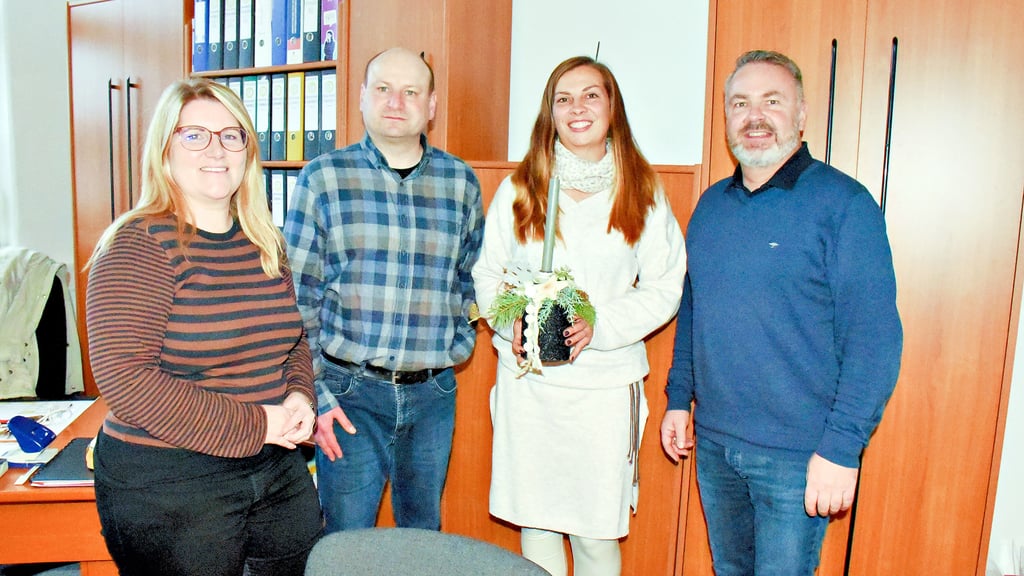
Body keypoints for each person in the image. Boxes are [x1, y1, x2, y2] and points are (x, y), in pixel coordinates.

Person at [660, 50, 903, 575]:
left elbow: (874, 341)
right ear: (725, 117)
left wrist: (842, 450)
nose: (755, 117)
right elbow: (694, 311)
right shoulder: (710, 208)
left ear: (801, 114)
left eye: (772, 101)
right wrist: (680, 399)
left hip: (798, 457)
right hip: (717, 445)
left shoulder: (844, 205)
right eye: (740, 103)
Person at [84, 78, 322, 576]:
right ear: (165, 150)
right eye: (194, 135)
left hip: (274, 467)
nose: (216, 150)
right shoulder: (137, 245)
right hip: (170, 478)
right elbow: (127, 383)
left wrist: (300, 396)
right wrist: (259, 422)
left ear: (247, 150)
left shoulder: (264, 241)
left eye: (231, 135)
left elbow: (291, 339)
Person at [472, 56, 686, 576]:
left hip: (604, 391)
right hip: (532, 389)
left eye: (592, 95)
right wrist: (513, 322)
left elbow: (665, 287)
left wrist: (600, 326)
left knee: (595, 533)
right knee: (537, 528)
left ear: (613, 108)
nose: (577, 108)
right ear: (550, 113)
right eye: (563, 98)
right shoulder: (521, 189)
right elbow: (487, 275)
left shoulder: (642, 192)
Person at [284, 47, 483, 532]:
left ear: (431, 105)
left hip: (433, 394)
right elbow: (295, 297)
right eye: (383, 89)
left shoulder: (461, 183)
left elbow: (470, 276)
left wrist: (460, 343)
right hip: (348, 395)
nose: (396, 101)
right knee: (346, 542)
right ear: (361, 98)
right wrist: (316, 392)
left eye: (411, 91)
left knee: (422, 540)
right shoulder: (323, 179)